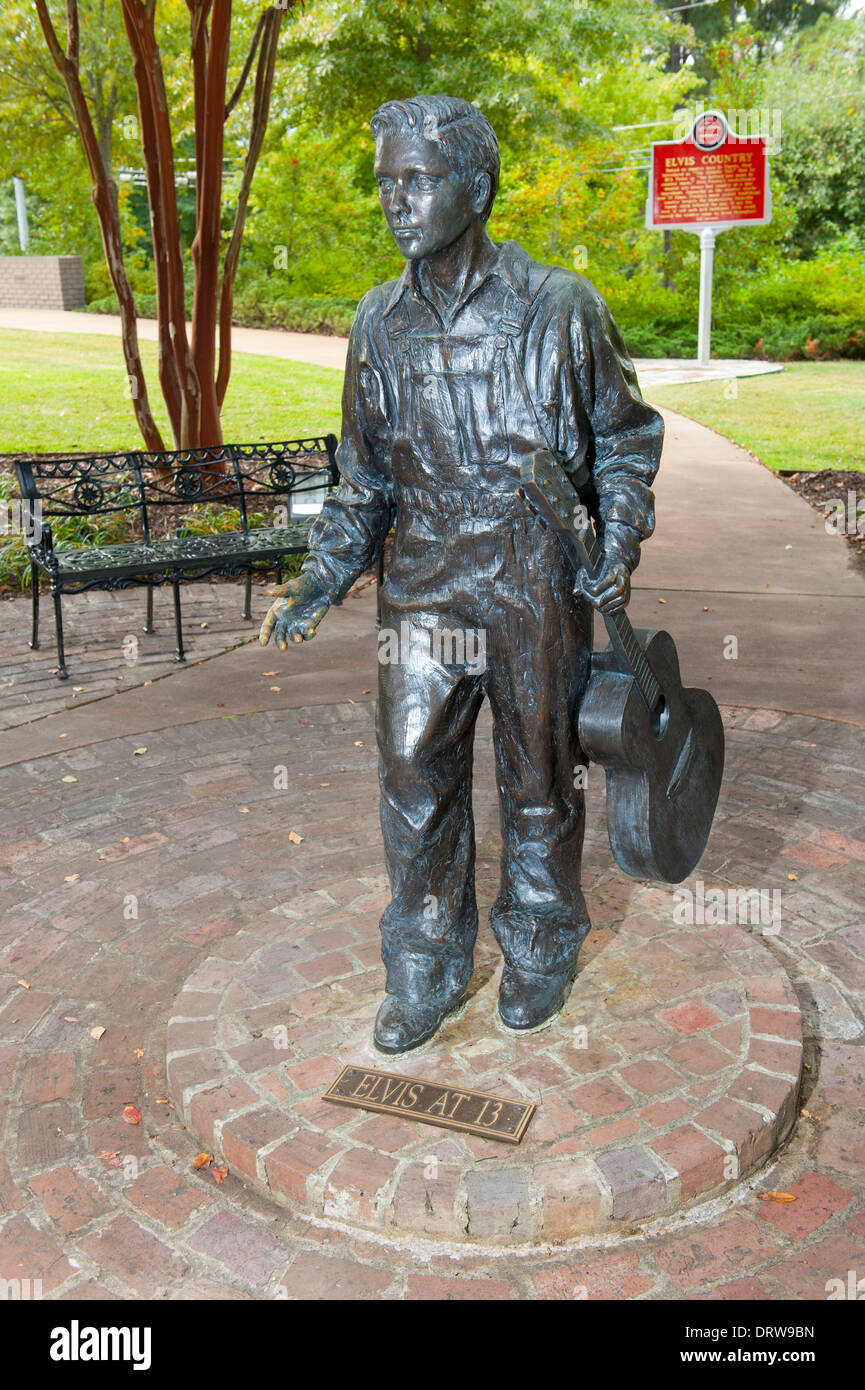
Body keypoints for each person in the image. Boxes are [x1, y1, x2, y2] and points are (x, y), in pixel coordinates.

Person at [260, 95, 664, 1054]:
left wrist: (617, 539)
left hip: (531, 577)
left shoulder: (559, 307)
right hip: (425, 583)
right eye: (386, 183)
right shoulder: (378, 322)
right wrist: (321, 579)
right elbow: (360, 481)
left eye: (418, 180)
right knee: (412, 770)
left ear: (475, 189)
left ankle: (538, 944)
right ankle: (426, 964)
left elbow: (624, 438)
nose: (397, 202)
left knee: (537, 776)